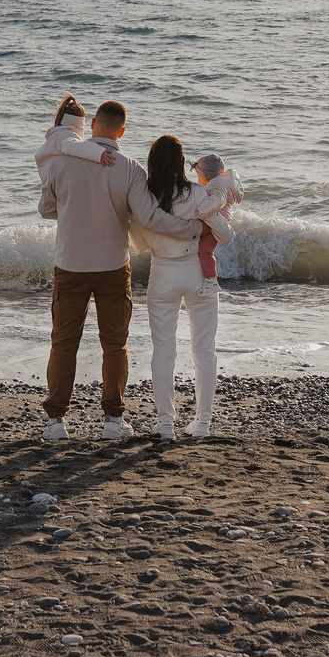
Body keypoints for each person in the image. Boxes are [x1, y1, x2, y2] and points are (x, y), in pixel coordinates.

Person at [35, 99, 205, 442]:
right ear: (122, 132)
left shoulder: (61, 163)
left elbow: (46, 210)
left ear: (93, 123)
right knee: (114, 345)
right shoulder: (130, 168)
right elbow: (150, 218)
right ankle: (113, 421)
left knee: (64, 343)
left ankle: (56, 423)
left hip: (71, 265)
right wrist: (193, 230)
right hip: (113, 266)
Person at [138, 137, 239, 439]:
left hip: (163, 272)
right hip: (199, 273)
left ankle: (166, 422)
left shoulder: (146, 198)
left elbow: (140, 244)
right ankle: (203, 423)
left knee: (164, 350)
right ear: (183, 162)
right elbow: (225, 235)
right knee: (204, 349)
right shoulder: (201, 193)